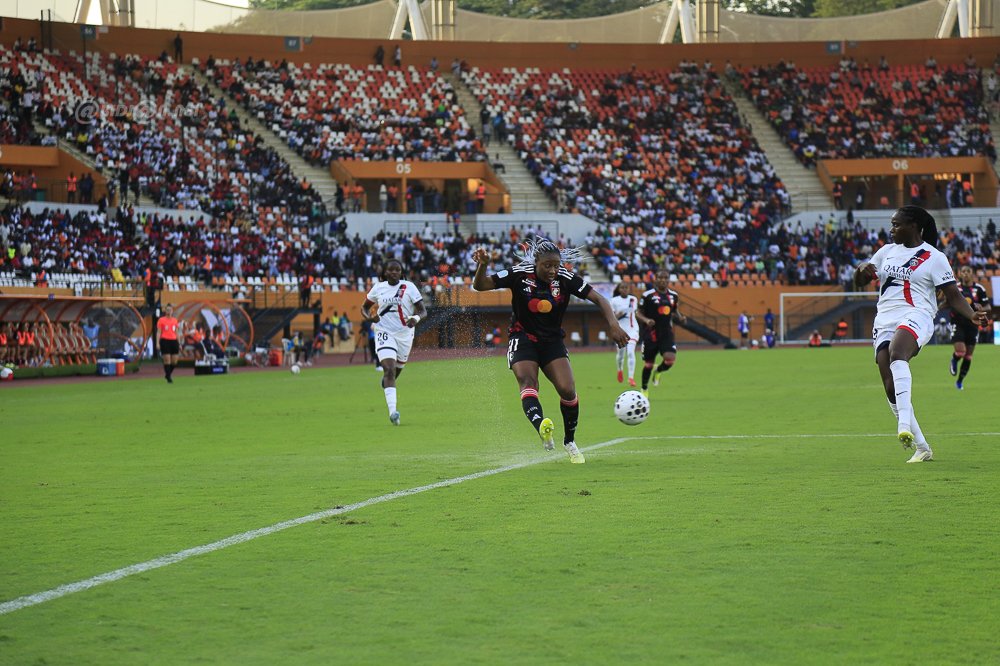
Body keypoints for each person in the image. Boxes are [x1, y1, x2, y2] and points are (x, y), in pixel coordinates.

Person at [473, 239, 629, 464]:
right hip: (522, 337)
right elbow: (481, 285)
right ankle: (542, 428)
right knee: (527, 382)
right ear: (536, 262)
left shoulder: (565, 278)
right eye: (547, 265)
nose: (552, 270)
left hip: (552, 341)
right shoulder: (519, 273)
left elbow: (599, 298)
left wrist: (613, 324)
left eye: (556, 265)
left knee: (568, 389)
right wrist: (483, 265)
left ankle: (570, 441)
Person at [854, 206, 988, 463]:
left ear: (914, 226)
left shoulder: (934, 257)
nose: (891, 229)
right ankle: (922, 447)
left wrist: (971, 314)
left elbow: (953, 295)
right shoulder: (886, 252)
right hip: (885, 319)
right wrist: (862, 269)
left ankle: (902, 424)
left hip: (917, 315)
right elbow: (861, 279)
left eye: (896, 224)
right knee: (890, 386)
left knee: (897, 353)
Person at [361, 259, 427, 425]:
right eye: (390, 270)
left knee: (394, 374)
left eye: (397, 270)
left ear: (401, 272)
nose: (394, 273)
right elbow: (364, 307)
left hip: (405, 335)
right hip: (384, 332)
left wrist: (415, 318)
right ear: (385, 273)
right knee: (389, 369)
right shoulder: (378, 288)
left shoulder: (409, 287)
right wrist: (370, 317)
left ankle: (388, 382)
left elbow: (423, 310)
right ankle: (393, 412)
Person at [636, 269, 686, 396]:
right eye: (660, 277)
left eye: (665, 278)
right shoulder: (647, 295)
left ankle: (658, 371)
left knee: (670, 360)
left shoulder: (673, 296)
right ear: (655, 279)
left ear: (668, 280)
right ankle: (644, 389)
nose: (662, 280)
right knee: (648, 364)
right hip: (651, 334)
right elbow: (638, 313)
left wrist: (680, 317)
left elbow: (674, 310)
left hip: (666, 333)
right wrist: (646, 320)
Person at [948, 265, 990, 389]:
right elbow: (949, 301)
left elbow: (988, 307)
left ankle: (960, 381)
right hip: (958, 322)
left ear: (972, 273)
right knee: (961, 352)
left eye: (968, 271)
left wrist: (981, 308)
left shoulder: (979, 288)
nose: (965, 273)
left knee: (968, 356)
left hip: (973, 325)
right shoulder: (956, 287)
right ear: (960, 274)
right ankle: (954, 359)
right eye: (963, 271)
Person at [610, 282, 639, 387]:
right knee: (621, 355)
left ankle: (631, 378)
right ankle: (620, 370)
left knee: (631, 352)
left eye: (626, 287)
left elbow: (633, 312)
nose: (624, 289)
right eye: (622, 287)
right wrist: (620, 314)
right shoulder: (614, 301)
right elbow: (613, 317)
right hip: (621, 330)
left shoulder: (633, 299)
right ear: (619, 289)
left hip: (632, 329)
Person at [156, 303, 180, 383]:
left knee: (174, 361)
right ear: (165, 311)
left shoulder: (175, 320)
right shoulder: (161, 320)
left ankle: (167, 374)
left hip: (174, 341)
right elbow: (159, 332)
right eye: (167, 310)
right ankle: (169, 378)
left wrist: (179, 343)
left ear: (172, 311)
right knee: (167, 360)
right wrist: (157, 343)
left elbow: (177, 332)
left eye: (170, 310)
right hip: (165, 340)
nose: (169, 311)